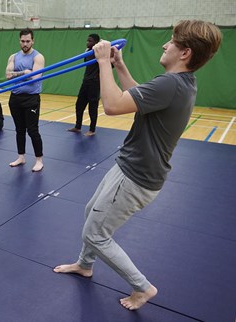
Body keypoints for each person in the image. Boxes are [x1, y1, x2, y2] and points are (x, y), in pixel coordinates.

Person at [54, 20, 222, 311]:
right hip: (130, 169)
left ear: (184, 53)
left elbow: (114, 105)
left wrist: (103, 62)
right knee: (89, 213)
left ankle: (142, 287)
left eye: (171, 42)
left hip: (134, 177)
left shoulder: (171, 83)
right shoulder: (181, 83)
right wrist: (118, 66)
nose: (164, 45)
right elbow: (139, 99)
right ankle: (84, 264)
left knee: (95, 233)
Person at [5, 28, 45, 172]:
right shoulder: (13, 57)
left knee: (33, 130)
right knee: (19, 130)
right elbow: (8, 75)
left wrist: (24, 74)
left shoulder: (38, 57)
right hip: (15, 97)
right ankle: (21, 157)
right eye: (23, 41)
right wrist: (24, 72)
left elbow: (35, 77)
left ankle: (39, 160)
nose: (25, 44)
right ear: (19, 41)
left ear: (32, 41)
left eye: (28, 41)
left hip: (31, 99)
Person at [68, 34, 101, 136]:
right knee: (79, 105)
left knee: (92, 107)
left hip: (95, 83)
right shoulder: (87, 51)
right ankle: (78, 127)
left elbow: (110, 64)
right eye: (87, 40)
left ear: (96, 42)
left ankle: (92, 130)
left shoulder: (100, 52)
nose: (87, 42)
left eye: (90, 41)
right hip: (86, 81)